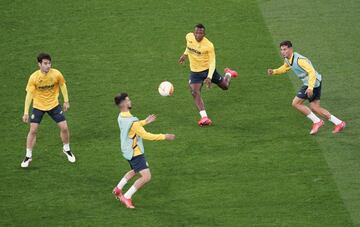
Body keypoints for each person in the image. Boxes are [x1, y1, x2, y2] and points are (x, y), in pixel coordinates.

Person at [267, 41, 346, 135]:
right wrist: (274, 71)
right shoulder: (288, 59)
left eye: (285, 49)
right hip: (313, 82)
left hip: (313, 83)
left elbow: (312, 72)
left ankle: (317, 121)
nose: (282, 52)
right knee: (314, 107)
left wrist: (310, 87)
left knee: (296, 103)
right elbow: (285, 67)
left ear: (291, 49)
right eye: (281, 50)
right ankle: (339, 123)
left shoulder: (299, 60)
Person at [113, 93, 175, 209]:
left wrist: (144, 122)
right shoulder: (133, 122)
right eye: (128, 100)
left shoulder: (121, 116)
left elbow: (131, 126)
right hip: (135, 152)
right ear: (123, 104)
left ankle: (118, 189)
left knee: (135, 171)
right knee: (146, 177)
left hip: (127, 150)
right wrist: (164, 136)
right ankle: (127, 196)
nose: (130, 101)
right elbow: (146, 135)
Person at [21, 53, 75, 168]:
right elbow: (29, 95)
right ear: (39, 64)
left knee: (64, 127)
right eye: (45, 63)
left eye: (49, 63)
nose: (48, 66)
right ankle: (28, 155)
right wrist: (26, 112)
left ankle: (67, 149)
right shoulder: (34, 77)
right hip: (38, 106)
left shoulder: (56, 74)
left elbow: (63, 85)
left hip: (53, 105)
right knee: (33, 130)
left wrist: (66, 101)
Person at [179, 24, 238, 126]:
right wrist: (185, 54)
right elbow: (189, 47)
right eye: (196, 32)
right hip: (195, 72)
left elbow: (212, 62)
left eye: (201, 33)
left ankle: (228, 73)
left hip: (208, 70)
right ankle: (204, 117)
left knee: (225, 87)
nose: (198, 35)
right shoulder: (189, 36)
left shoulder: (209, 45)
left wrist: (209, 77)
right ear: (193, 32)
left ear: (204, 34)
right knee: (194, 92)